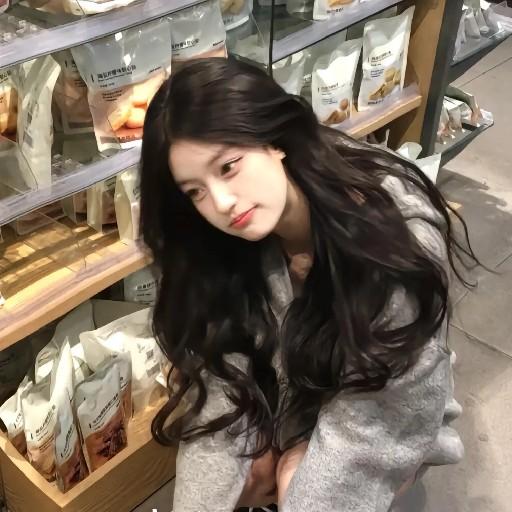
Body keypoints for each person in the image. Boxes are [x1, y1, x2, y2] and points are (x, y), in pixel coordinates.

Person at [139, 57, 476, 511]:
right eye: (194, 191)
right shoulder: (226, 243)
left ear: (273, 140)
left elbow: (375, 425)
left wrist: (298, 477)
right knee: (244, 476)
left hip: (386, 409)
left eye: (229, 167)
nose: (221, 202)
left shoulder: (388, 240)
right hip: (291, 389)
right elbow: (220, 390)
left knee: (294, 478)